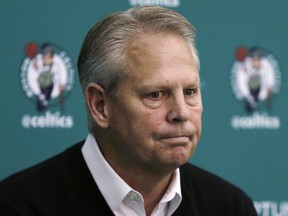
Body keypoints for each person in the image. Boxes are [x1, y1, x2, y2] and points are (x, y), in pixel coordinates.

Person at [0, 6, 257, 216]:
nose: (181, 112)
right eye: (155, 94)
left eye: (190, 92)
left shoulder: (231, 207)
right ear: (100, 105)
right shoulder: (20, 206)